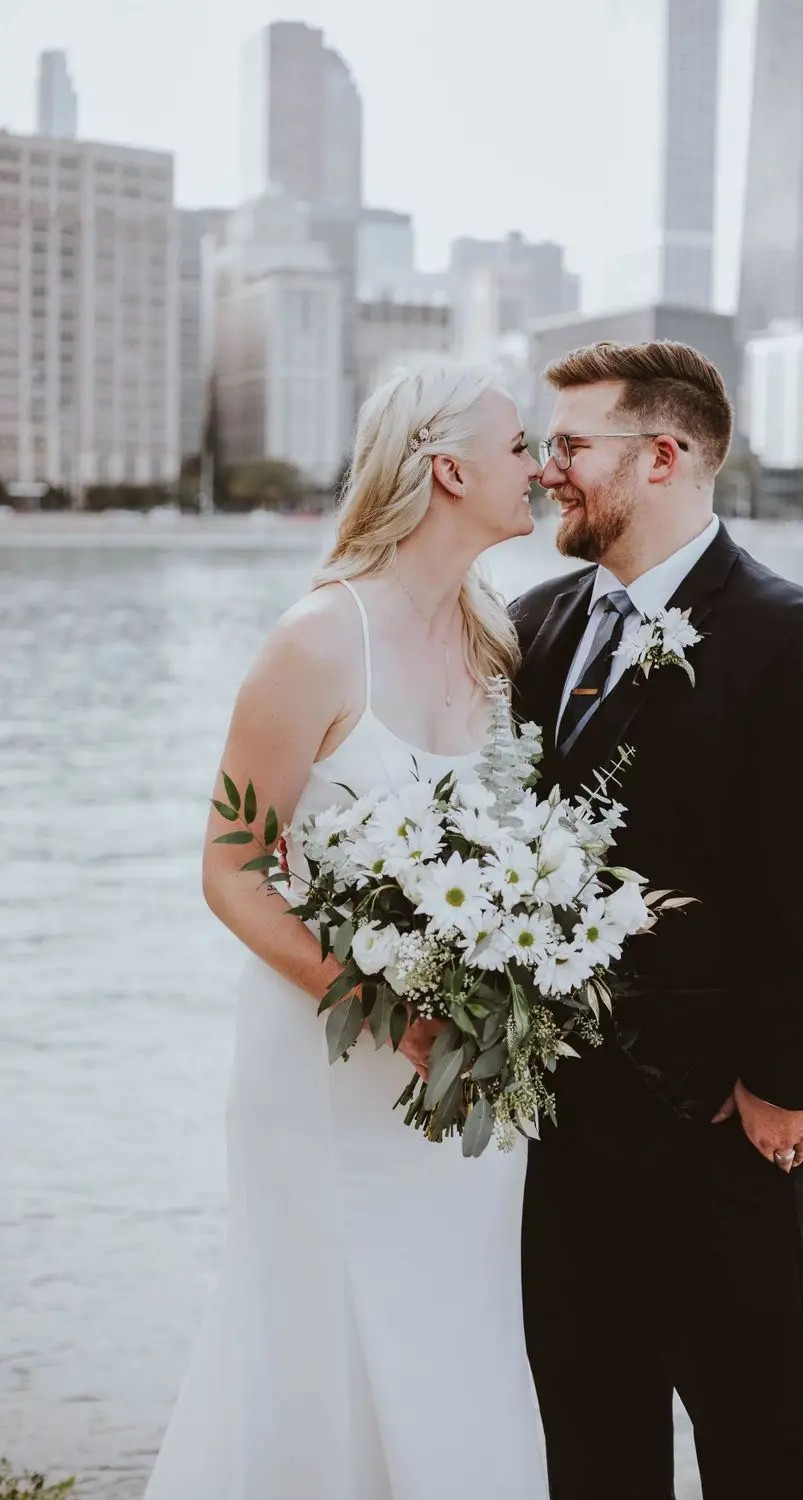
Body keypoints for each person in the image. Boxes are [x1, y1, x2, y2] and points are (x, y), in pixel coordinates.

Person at [144, 361, 549, 1500]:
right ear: (449, 468)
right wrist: (380, 998)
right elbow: (231, 868)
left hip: (467, 1086)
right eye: (519, 448)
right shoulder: (318, 641)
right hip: (331, 1074)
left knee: (452, 1345)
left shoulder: (495, 642)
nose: (539, 470)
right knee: (313, 1348)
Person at [513, 338, 803, 1500]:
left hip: (726, 1131)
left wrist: (790, 1085)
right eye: (544, 445)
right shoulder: (534, 623)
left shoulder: (795, 636)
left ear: (665, 456)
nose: (548, 470)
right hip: (563, 1131)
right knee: (591, 1446)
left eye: (572, 445)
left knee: (762, 1446)